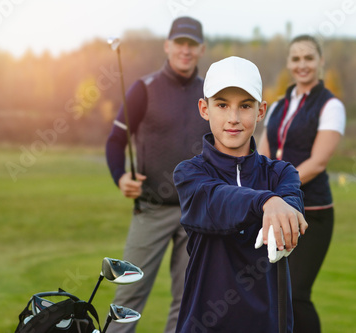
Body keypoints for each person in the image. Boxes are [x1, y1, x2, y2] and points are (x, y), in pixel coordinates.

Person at [173, 56, 308, 333]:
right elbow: (216, 200)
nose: (233, 118)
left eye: (245, 106)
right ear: (204, 108)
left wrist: (285, 210)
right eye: (222, 105)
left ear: (261, 111)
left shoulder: (282, 174)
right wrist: (266, 202)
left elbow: (292, 206)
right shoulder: (189, 173)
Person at [105, 16, 209, 333]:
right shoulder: (143, 89)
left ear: (201, 49)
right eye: (180, 43)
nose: (185, 50)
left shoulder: (211, 93)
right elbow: (115, 140)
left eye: (192, 44)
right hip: (150, 210)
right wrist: (120, 176)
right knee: (128, 297)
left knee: (189, 299)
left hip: (196, 213)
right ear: (167, 46)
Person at [258, 35, 346, 333]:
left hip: (313, 212)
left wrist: (278, 192)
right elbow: (261, 155)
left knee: (296, 295)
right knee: (273, 296)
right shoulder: (278, 106)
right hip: (275, 214)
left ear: (321, 62)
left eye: (309, 58)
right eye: (296, 59)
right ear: (288, 64)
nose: (302, 64)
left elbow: (318, 162)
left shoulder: (331, 106)